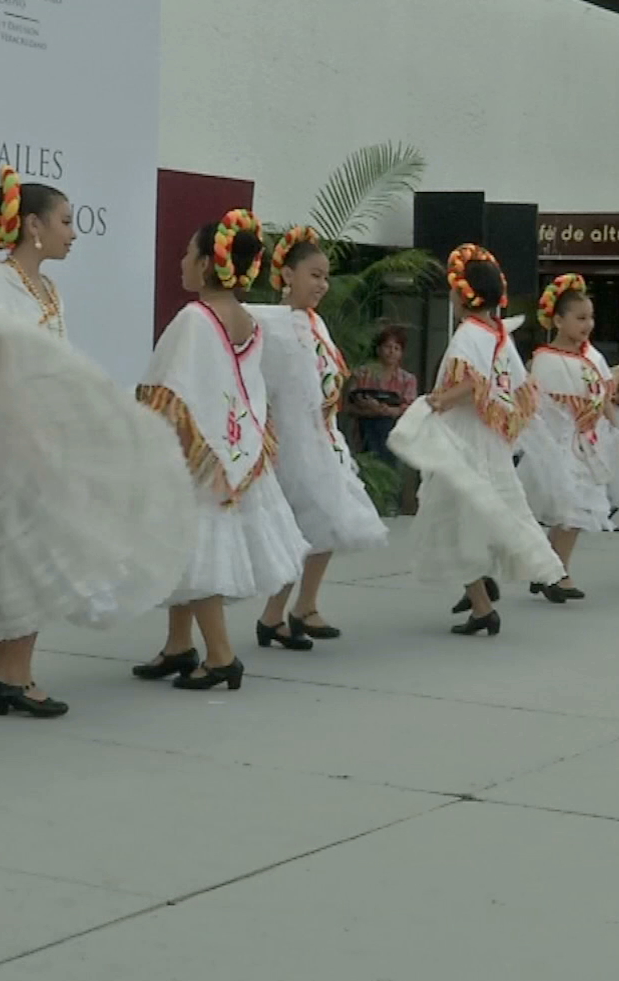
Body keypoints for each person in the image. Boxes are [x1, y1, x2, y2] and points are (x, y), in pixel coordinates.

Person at [0, 168, 194, 716]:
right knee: (32, 559)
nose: (74, 233)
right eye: (66, 222)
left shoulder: (46, 288)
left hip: (40, 443)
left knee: (24, 557)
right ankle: (15, 675)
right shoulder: (0, 284)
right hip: (18, 446)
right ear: (33, 225)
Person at [133, 210, 309, 690]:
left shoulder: (194, 318)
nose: (181, 261)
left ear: (209, 264)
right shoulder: (247, 319)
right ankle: (178, 645)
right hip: (235, 452)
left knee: (197, 554)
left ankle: (221, 655)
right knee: (189, 554)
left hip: (199, 457)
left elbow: (169, 390)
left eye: (188, 253)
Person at [385, 245, 567, 636]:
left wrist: (438, 400)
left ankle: (482, 605)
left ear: (461, 294)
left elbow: (472, 382)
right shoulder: (500, 333)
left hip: (466, 436)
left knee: (456, 516)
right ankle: (482, 589)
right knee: (482, 509)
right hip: (489, 438)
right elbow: (517, 387)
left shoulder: (469, 333)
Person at [248, 226, 389, 650]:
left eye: (326, 276)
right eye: (314, 275)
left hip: (322, 439)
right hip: (290, 444)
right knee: (304, 526)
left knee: (326, 523)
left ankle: (301, 607)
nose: (322, 285)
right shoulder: (266, 322)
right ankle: (276, 614)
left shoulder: (317, 323)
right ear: (287, 275)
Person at [516, 273, 619, 599]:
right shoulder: (546, 359)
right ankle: (555, 574)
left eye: (590, 318)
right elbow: (542, 407)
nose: (587, 325)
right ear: (558, 320)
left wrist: (617, 426)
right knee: (569, 509)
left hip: (589, 443)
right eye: (580, 318)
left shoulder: (593, 356)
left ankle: (550, 569)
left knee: (577, 511)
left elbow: (604, 398)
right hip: (562, 444)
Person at [350, 324, 417, 463]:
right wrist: (368, 409)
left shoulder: (407, 380)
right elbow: (348, 406)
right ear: (379, 349)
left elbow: (410, 409)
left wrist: (383, 409)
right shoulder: (362, 374)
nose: (391, 352)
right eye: (388, 347)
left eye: (396, 348)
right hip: (364, 435)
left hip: (393, 436)